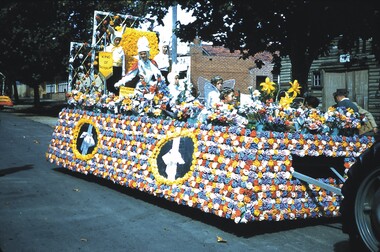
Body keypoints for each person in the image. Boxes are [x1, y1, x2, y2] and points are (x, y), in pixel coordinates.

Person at [105, 25, 126, 95]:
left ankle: (116, 96)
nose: (117, 42)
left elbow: (123, 61)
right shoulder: (108, 48)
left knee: (117, 84)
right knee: (109, 84)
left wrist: (123, 72)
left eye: (119, 40)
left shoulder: (121, 49)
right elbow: (104, 59)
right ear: (113, 38)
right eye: (116, 40)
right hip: (110, 68)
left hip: (118, 69)